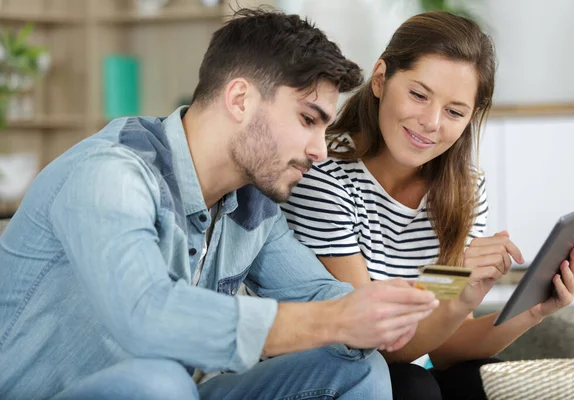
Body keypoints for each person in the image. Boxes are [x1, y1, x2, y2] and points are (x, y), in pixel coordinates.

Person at [0, 8, 441, 400]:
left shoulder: (251, 205)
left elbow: (318, 294)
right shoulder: (111, 173)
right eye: (308, 120)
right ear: (240, 99)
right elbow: (145, 315)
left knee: (357, 369)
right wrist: (332, 320)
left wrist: (379, 311)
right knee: (159, 386)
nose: (319, 150)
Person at [282, 11, 574, 400]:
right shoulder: (324, 178)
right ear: (380, 79)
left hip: (407, 370)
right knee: (413, 385)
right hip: (331, 374)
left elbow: (442, 345)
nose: (430, 122)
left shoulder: (464, 190)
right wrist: (459, 285)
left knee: (482, 381)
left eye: (454, 111)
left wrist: (535, 309)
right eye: (418, 95)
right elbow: (375, 345)